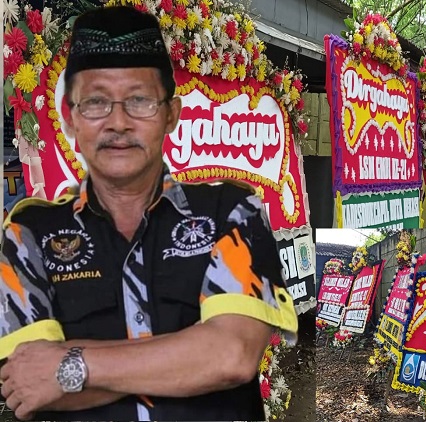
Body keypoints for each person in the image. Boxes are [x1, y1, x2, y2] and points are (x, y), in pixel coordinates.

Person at [0, 5, 298, 421]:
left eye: (139, 100)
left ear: (171, 115)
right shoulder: (28, 234)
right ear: (70, 118)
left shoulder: (232, 212)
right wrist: (185, 358)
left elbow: (231, 355)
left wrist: (71, 366)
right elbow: (28, 384)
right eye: (96, 102)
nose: (118, 121)